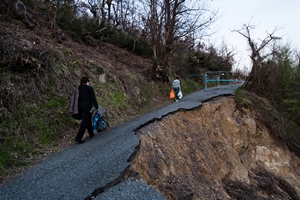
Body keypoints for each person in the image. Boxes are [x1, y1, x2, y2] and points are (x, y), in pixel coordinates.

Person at [75, 77, 99, 143]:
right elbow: (93, 98)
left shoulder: (79, 88)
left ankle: (91, 133)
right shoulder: (89, 88)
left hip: (80, 106)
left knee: (88, 119)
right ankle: (78, 137)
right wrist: (96, 106)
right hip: (87, 106)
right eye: (88, 82)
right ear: (87, 82)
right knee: (84, 121)